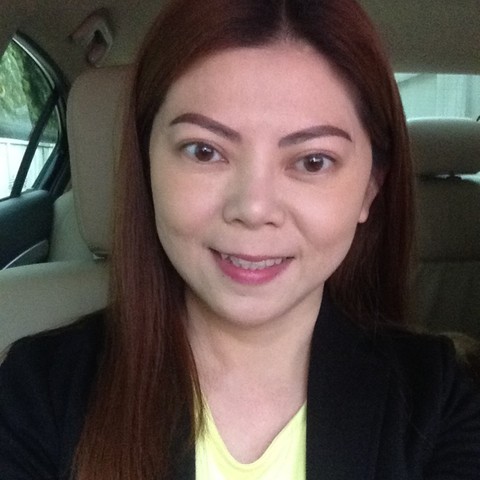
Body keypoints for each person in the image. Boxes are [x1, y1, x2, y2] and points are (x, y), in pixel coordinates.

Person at [1, 0, 480, 479]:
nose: (253, 208)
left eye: (312, 161)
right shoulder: (36, 393)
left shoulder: (441, 401)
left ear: (370, 189)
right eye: (204, 151)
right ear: (147, 166)